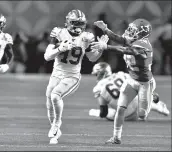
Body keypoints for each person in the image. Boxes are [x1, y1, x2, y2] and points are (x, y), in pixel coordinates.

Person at [44, 9, 107, 144]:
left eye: (80, 23)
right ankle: (55, 129)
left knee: (55, 96)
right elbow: (47, 56)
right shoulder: (59, 33)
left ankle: (56, 124)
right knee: (49, 102)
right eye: (75, 23)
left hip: (72, 76)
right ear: (68, 22)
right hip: (56, 74)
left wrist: (100, 49)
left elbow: (92, 58)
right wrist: (60, 49)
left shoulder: (87, 37)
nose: (78, 26)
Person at [93, 19, 155, 144]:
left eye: (133, 30)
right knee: (121, 108)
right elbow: (119, 39)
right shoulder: (133, 41)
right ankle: (116, 137)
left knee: (142, 115)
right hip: (131, 80)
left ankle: (153, 96)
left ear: (141, 34)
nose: (129, 31)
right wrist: (105, 29)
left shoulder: (144, 45)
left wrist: (107, 47)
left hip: (144, 83)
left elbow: (125, 50)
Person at [89, 62, 170, 121]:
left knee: (109, 115)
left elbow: (104, 112)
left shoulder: (98, 88)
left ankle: (95, 112)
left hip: (128, 115)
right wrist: (152, 93)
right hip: (141, 104)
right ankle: (155, 106)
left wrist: (101, 114)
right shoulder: (121, 74)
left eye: (96, 74)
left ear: (100, 74)